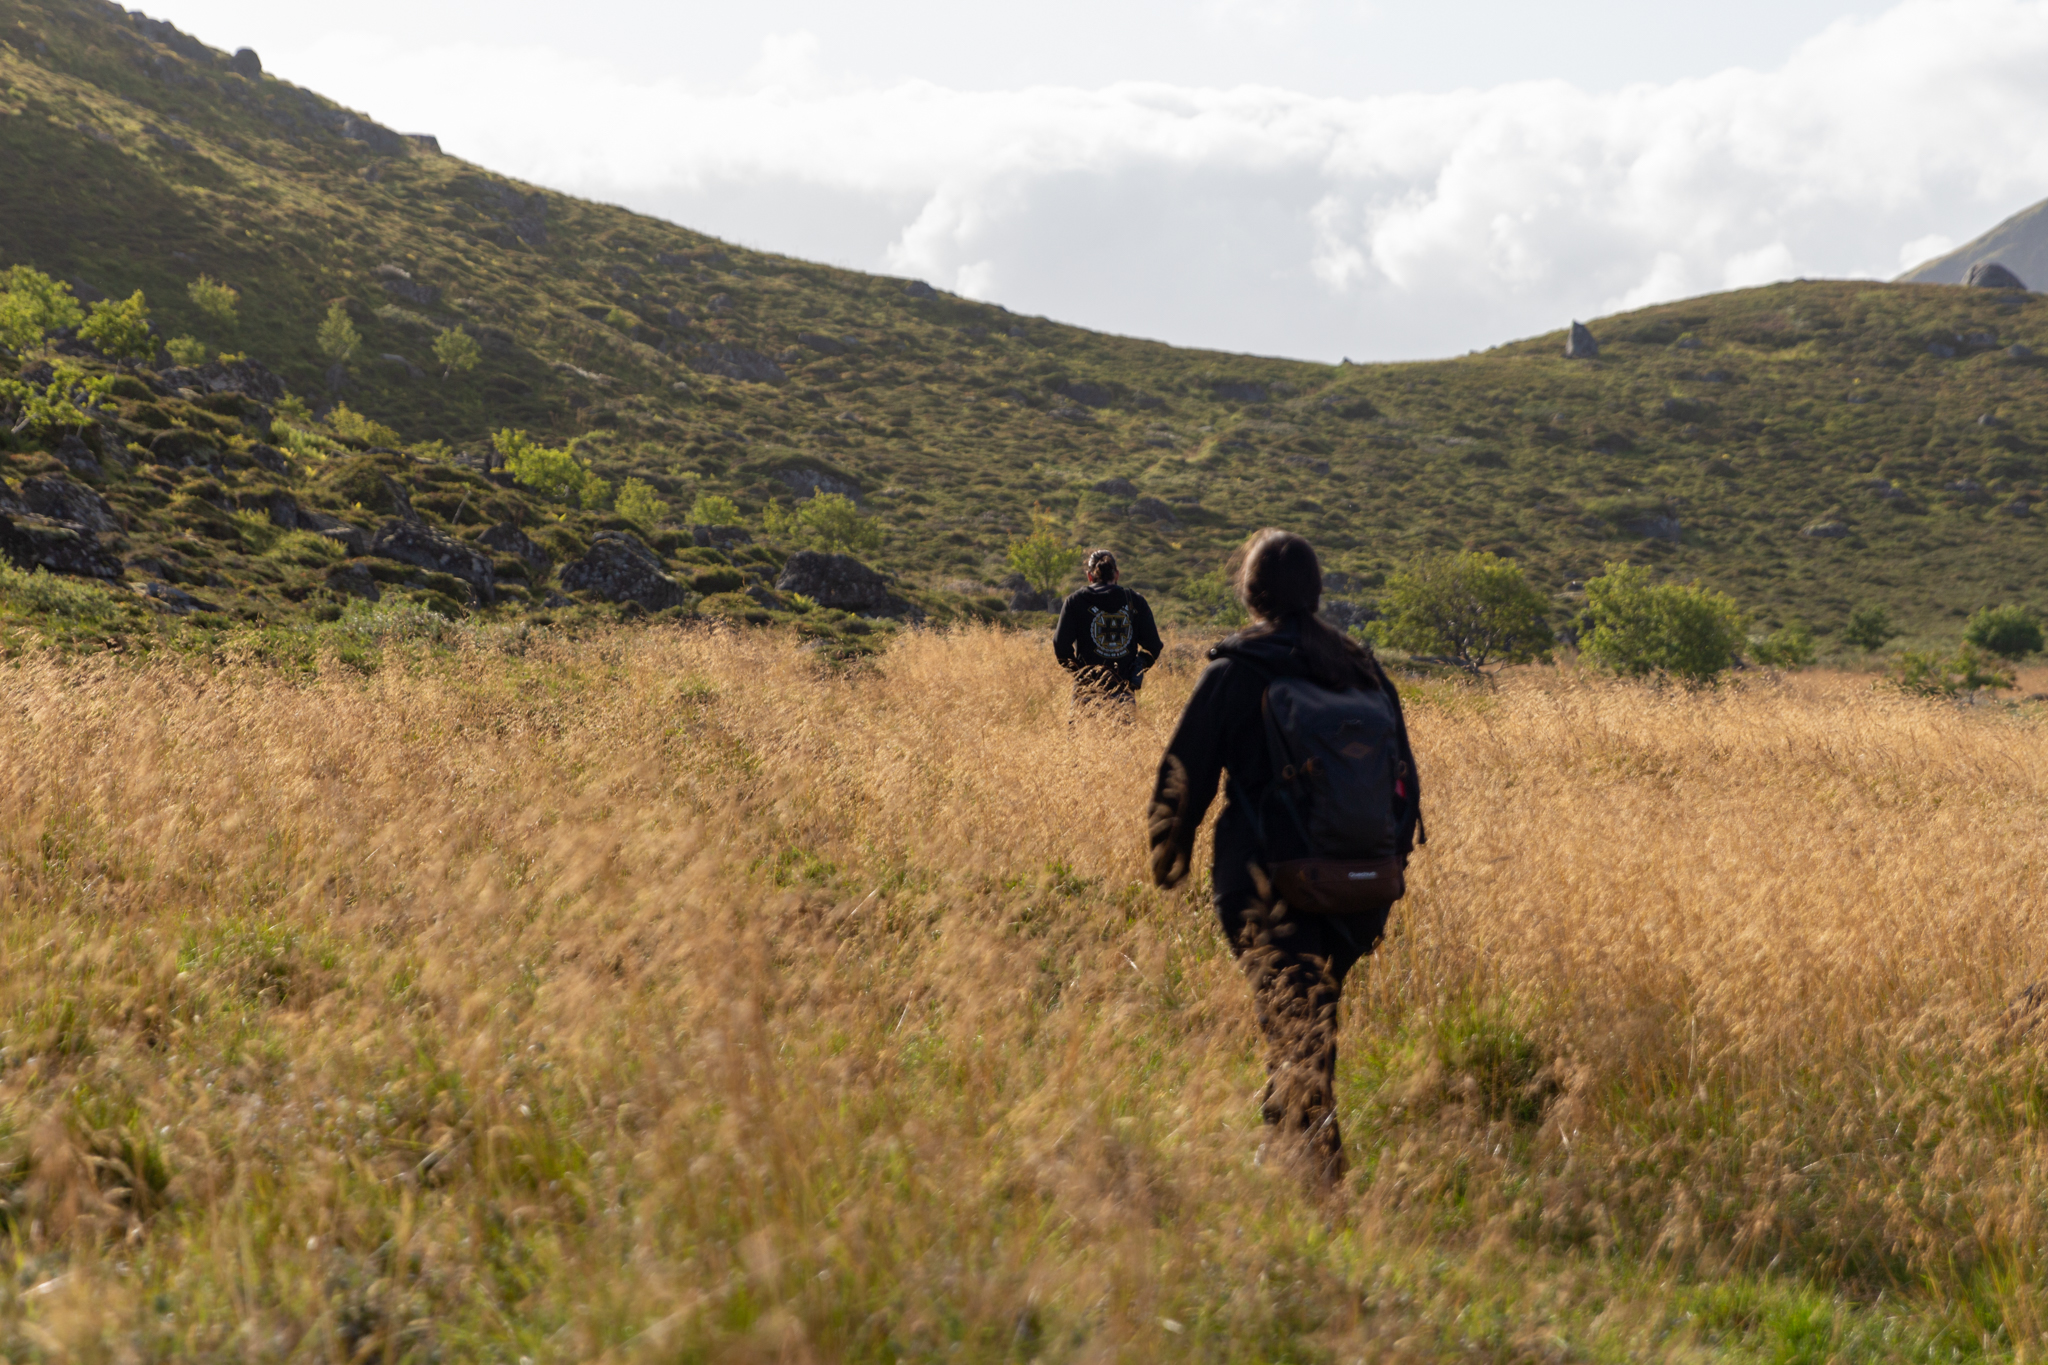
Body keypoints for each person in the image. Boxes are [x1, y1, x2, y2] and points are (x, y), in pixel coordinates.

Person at [1145, 528, 1423, 1187]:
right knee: (1306, 1018)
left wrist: (1169, 855)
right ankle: (1287, 1155)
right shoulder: (1362, 669)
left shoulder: (1238, 670)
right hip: (1362, 890)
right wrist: (1387, 869)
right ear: (1318, 591)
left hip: (1269, 881)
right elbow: (1404, 781)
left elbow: (1183, 774)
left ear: (1250, 592)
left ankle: (1321, 1185)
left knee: (1297, 1028)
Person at [1053, 549, 1162, 714]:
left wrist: (1080, 674)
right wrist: (1138, 668)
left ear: (1089, 576)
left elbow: (1060, 646)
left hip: (1087, 692)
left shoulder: (1075, 602)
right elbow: (1153, 645)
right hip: (1123, 692)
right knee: (1123, 740)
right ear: (1116, 574)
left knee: (1082, 739)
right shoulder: (1135, 601)